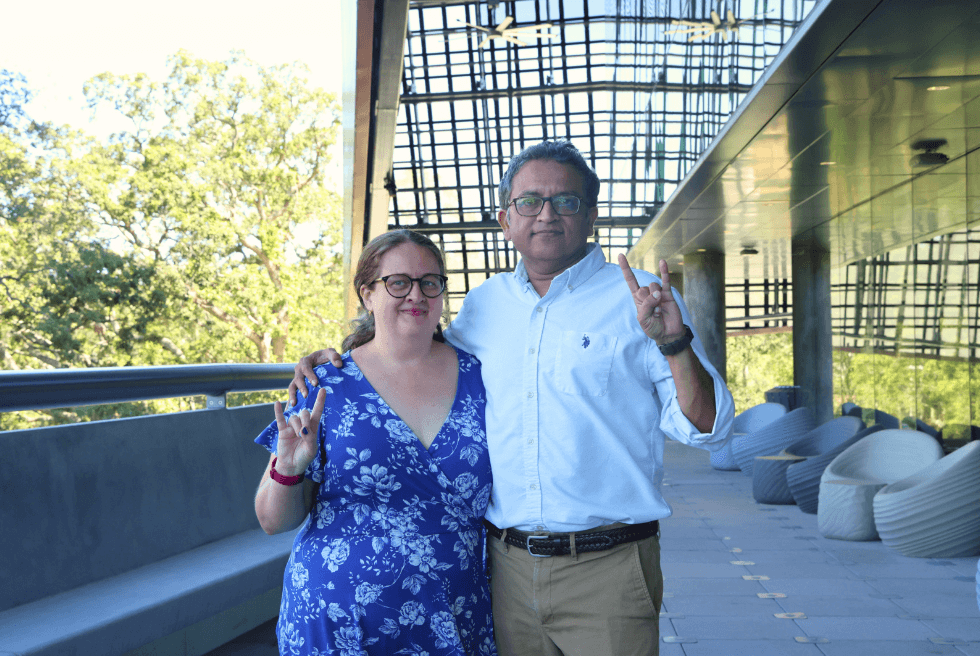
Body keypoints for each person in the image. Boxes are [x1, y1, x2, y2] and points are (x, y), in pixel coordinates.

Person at [289, 140, 735, 656]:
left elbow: (710, 429)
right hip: (504, 572)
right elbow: (411, 351)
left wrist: (673, 344)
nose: (547, 214)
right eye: (530, 201)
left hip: (608, 567)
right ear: (505, 218)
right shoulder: (483, 308)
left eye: (566, 201)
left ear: (590, 214)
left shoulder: (641, 299)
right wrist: (341, 355)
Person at [254, 229, 496, 655]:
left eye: (429, 282)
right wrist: (287, 470)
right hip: (339, 618)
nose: (416, 295)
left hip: (452, 614)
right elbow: (273, 521)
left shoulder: (484, 375)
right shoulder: (325, 383)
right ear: (367, 294)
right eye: (398, 282)